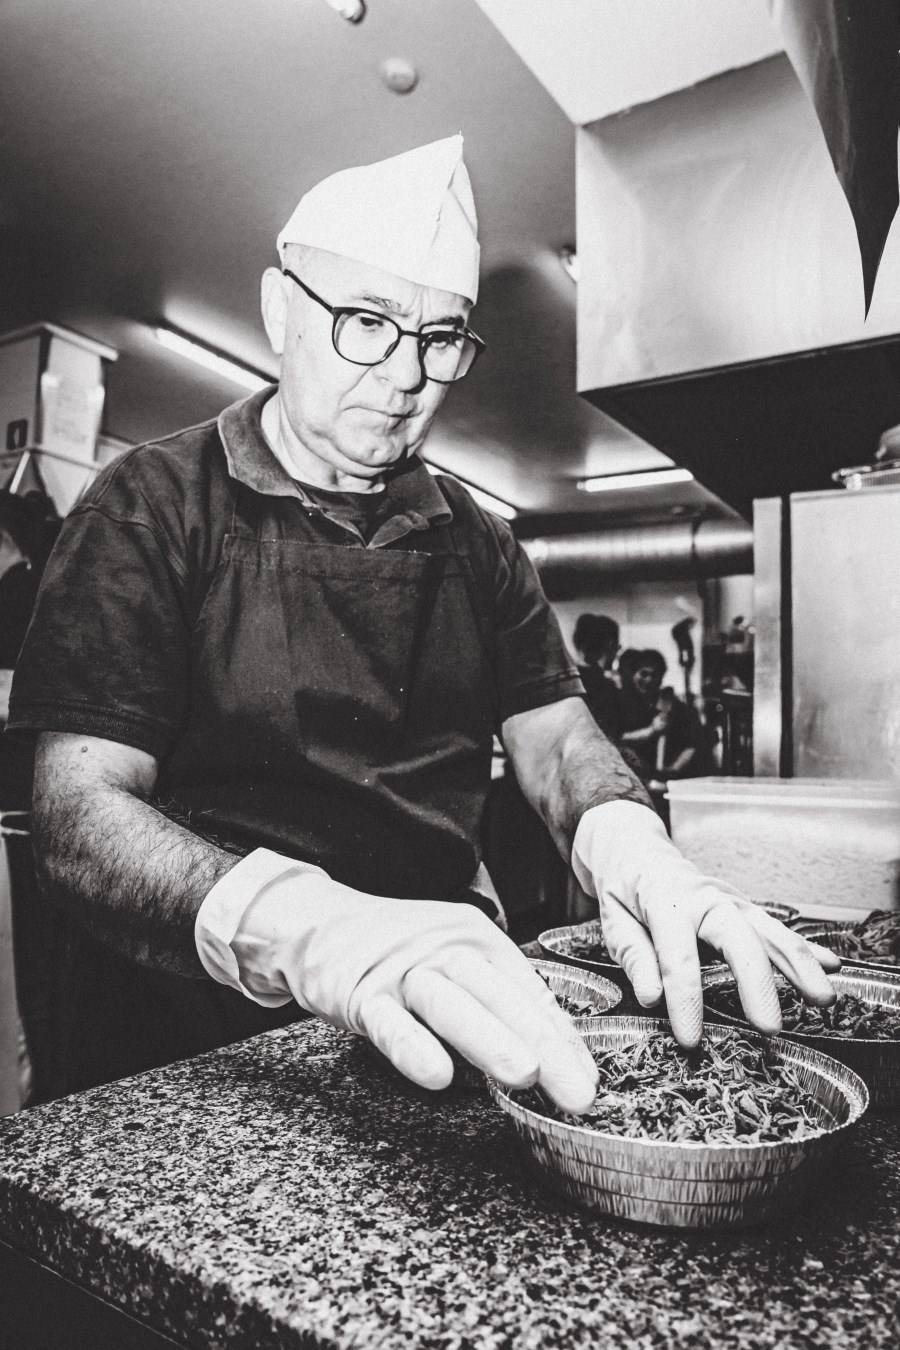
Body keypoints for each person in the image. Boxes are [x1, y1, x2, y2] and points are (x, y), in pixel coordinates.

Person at [6, 137, 837, 1110]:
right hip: (182, 1048)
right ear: (280, 309)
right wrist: (306, 928)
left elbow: (559, 743)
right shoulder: (150, 507)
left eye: (441, 338)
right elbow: (76, 816)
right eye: (366, 321)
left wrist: (629, 841)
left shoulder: (478, 542)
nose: (406, 373)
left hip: (438, 1021)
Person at [572, 613, 622, 739]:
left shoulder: (569, 679)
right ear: (611, 644)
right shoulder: (605, 686)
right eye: (618, 647)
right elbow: (612, 735)